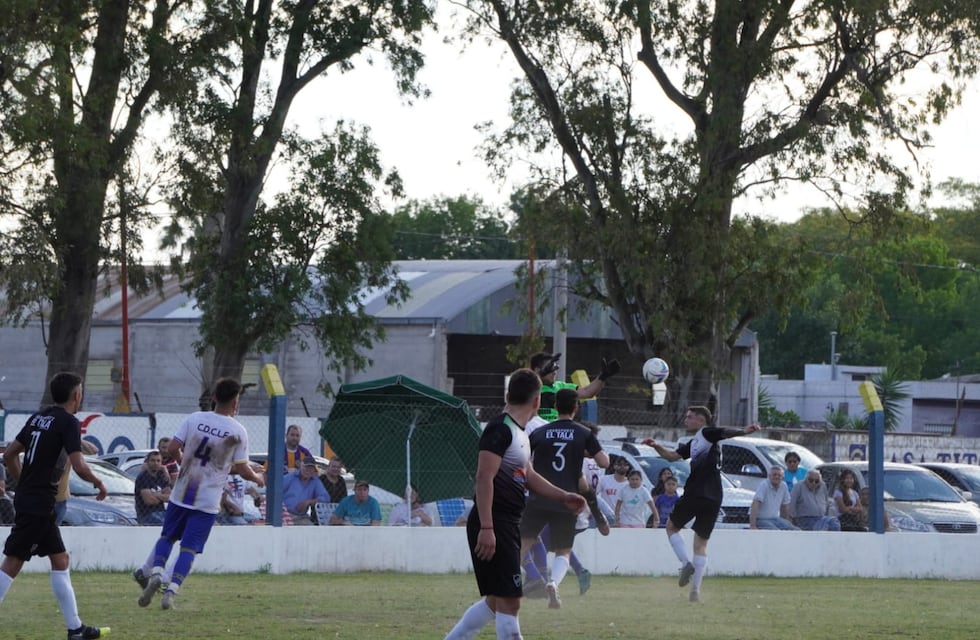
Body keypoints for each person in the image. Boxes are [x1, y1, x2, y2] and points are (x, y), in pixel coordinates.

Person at [444, 369, 585, 640]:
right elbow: (484, 477)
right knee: (510, 601)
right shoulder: (500, 429)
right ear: (536, 402)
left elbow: (528, 476)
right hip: (494, 522)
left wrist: (562, 496)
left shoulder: (520, 434)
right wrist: (487, 527)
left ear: (508, 395)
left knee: (497, 602)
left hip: (506, 523)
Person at [138, 378, 265, 611]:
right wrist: (257, 478)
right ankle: (171, 592)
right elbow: (241, 468)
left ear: (214, 397)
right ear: (236, 402)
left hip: (182, 493)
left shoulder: (194, 419)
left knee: (167, 537)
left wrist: (184, 461)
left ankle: (155, 572)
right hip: (207, 501)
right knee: (189, 548)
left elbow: (173, 449)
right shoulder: (238, 431)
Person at [0, 372, 110, 639]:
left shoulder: (39, 417)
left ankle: (76, 629)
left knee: (60, 560)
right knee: (13, 561)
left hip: (37, 500)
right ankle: (75, 629)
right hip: (39, 502)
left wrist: (24, 481)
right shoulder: (69, 422)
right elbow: (80, 464)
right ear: (77, 395)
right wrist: (99, 483)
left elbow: (10, 455)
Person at [644, 406, 761, 603]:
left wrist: (744, 431)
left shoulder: (706, 433)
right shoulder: (696, 442)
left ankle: (685, 563)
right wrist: (656, 446)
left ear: (700, 420)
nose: (685, 420)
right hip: (715, 496)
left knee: (672, 526)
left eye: (689, 417)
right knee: (701, 544)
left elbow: (723, 432)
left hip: (697, 491)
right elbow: (672, 456)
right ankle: (695, 591)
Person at [518, 388, 607, 609]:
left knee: (522, 544)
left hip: (539, 498)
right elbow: (604, 462)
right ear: (576, 408)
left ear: (555, 406)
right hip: (567, 501)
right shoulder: (583, 433)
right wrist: (585, 451)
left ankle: (503, 585)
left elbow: (521, 458)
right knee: (563, 550)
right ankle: (553, 583)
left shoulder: (540, 432)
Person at [528, 351, 619, 421]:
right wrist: (538, 375)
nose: (554, 372)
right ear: (537, 369)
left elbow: (587, 392)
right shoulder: (528, 387)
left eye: (555, 368)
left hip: (558, 432)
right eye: (549, 368)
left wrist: (602, 377)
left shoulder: (561, 387)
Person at [282, 456, 330, 525]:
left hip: (302, 517)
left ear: (314, 470)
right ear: (301, 466)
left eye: (311, 468)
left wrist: (308, 502)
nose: (308, 470)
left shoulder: (315, 481)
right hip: (285, 515)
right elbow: (276, 491)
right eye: (306, 467)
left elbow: (326, 498)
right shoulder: (290, 477)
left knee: (312, 532)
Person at [749, 466, 799, 530]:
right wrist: (752, 525)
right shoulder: (764, 485)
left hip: (775, 519)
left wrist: (786, 522)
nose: (777, 477)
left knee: (795, 530)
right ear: (769, 476)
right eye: (774, 475)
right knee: (776, 532)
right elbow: (755, 504)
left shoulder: (784, 486)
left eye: (779, 475)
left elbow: (785, 506)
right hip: (761, 519)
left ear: (782, 477)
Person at [134, 450, 172, 526]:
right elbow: (149, 501)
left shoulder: (161, 476)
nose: (156, 463)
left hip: (161, 512)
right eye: (153, 460)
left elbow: (170, 497)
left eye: (158, 461)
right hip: (146, 515)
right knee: (166, 525)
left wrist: (155, 495)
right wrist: (162, 496)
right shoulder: (143, 477)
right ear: (147, 462)